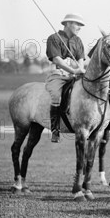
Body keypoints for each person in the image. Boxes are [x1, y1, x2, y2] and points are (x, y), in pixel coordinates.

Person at [45, 13, 86, 142]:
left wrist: (79, 70)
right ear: (67, 24)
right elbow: (57, 60)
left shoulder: (78, 41)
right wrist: (73, 70)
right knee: (56, 96)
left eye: (81, 25)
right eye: (77, 24)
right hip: (58, 75)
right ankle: (55, 130)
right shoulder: (54, 38)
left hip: (74, 75)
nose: (79, 27)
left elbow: (80, 59)